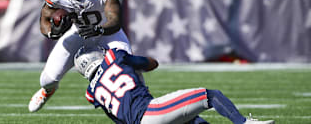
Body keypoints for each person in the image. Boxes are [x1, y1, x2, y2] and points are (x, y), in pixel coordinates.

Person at [28, 0, 133, 112]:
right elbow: (44, 18)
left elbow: (115, 20)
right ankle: (48, 91)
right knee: (47, 80)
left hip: (107, 33)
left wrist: (99, 30)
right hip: (78, 33)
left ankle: (139, 104)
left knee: (128, 71)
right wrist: (52, 32)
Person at [73, 46, 276, 124]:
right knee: (210, 95)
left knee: (194, 122)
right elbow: (151, 63)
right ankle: (244, 123)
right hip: (151, 112)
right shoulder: (113, 57)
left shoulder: (92, 93)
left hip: (140, 121)